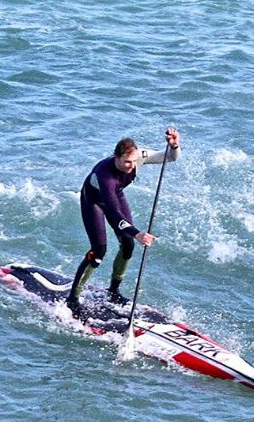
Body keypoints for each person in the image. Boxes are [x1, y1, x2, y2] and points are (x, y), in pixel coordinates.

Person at [67, 128, 180, 316]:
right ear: (116, 157)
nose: (131, 166)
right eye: (127, 162)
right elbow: (113, 214)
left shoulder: (138, 156)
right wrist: (138, 234)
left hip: (116, 196)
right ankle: (72, 298)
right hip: (94, 202)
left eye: (134, 162)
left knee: (127, 244)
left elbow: (170, 157)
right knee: (98, 251)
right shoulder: (104, 177)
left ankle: (113, 290)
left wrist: (174, 145)